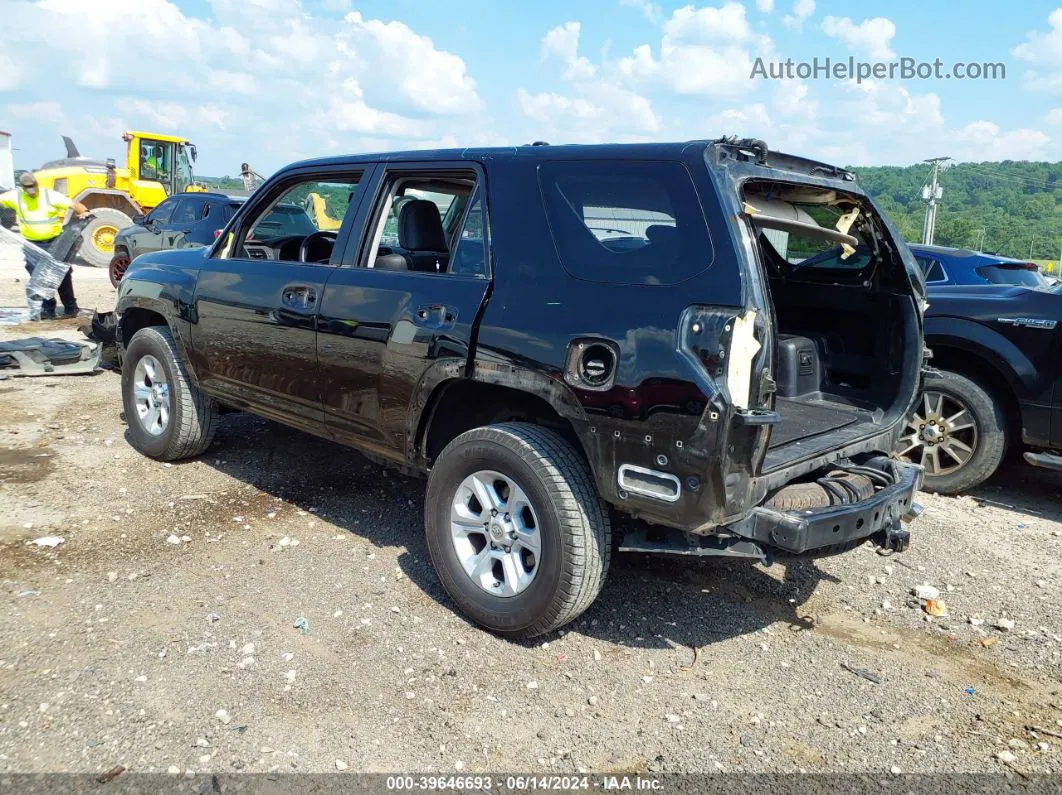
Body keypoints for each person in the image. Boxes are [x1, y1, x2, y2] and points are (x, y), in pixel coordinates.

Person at [0, 172, 89, 318]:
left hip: (54, 243)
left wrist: (85, 212)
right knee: (40, 276)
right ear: (22, 187)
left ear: (37, 184)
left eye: (33, 187)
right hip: (32, 245)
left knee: (62, 274)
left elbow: (75, 205)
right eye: (27, 188)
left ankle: (71, 307)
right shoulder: (15, 197)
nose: (31, 191)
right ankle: (48, 308)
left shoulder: (49, 196)